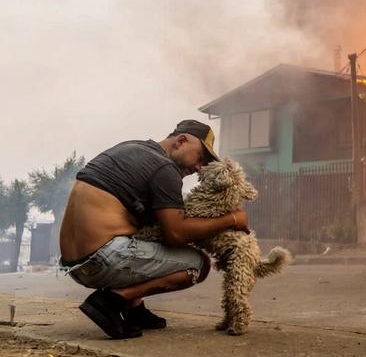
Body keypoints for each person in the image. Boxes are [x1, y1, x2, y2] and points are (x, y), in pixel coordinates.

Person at [59, 120, 250, 339]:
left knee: (146, 233)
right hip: (103, 258)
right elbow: (175, 234)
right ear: (181, 141)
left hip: (74, 265)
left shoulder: (131, 148)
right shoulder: (164, 168)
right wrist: (232, 219)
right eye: (201, 157)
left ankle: (134, 309)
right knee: (198, 264)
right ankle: (112, 301)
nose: (200, 167)